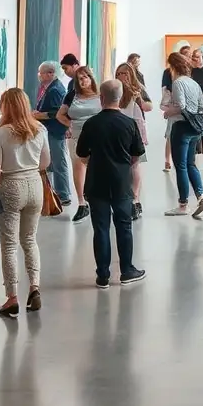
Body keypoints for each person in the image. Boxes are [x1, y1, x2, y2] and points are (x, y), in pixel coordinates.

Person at [76, 79, 146, 288]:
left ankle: (103, 275)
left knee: (101, 228)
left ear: (101, 98)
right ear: (120, 97)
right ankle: (126, 270)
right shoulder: (129, 123)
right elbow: (136, 156)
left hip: (96, 182)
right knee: (124, 226)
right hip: (121, 183)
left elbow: (81, 154)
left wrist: (93, 161)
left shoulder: (91, 123)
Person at [0, 88, 50, 317]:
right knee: (29, 239)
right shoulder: (40, 129)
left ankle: (12, 297)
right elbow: (45, 162)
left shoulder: (0, 133)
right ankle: (34, 288)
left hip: (10, 185)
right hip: (35, 184)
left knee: (8, 244)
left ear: (5, 106)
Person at [162, 52, 203, 218]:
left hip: (181, 127)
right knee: (191, 164)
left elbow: (181, 106)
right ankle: (200, 195)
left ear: (173, 66)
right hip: (195, 128)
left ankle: (183, 205)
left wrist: (168, 112)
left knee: (180, 166)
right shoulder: (193, 83)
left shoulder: (178, 83)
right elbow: (202, 106)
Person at [55, 65, 101, 223]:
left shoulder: (100, 95)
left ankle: (97, 200)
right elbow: (60, 115)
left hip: (98, 138)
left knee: (96, 169)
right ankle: (82, 203)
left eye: (85, 77)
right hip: (76, 137)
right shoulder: (72, 95)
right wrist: (69, 124)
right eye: (79, 79)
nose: (82, 81)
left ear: (90, 78)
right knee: (78, 167)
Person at [115, 63, 152, 220]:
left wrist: (139, 100)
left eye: (125, 73)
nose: (122, 76)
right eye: (119, 73)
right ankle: (122, 197)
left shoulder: (138, 89)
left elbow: (149, 106)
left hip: (134, 131)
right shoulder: (114, 88)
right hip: (117, 131)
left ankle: (135, 199)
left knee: (135, 164)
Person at [33, 61, 71, 206]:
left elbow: (56, 112)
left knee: (58, 162)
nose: (39, 76)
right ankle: (55, 192)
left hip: (55, 131)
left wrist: (38, 115)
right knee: (52, 163)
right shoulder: (50, 87)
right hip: (50, 131)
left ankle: (63, 195)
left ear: (50, 73)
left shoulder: (55, 90)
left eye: (40, 73)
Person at [161, 43, 191, 172]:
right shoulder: (169, 73)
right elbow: (166, 89)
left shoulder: (189, 73)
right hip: (174, 105)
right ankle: (168, 160)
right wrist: (168, 108)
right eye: (185, 55)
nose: (188, 58)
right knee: (170, 135)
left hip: (183, 111)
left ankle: (184, 161)